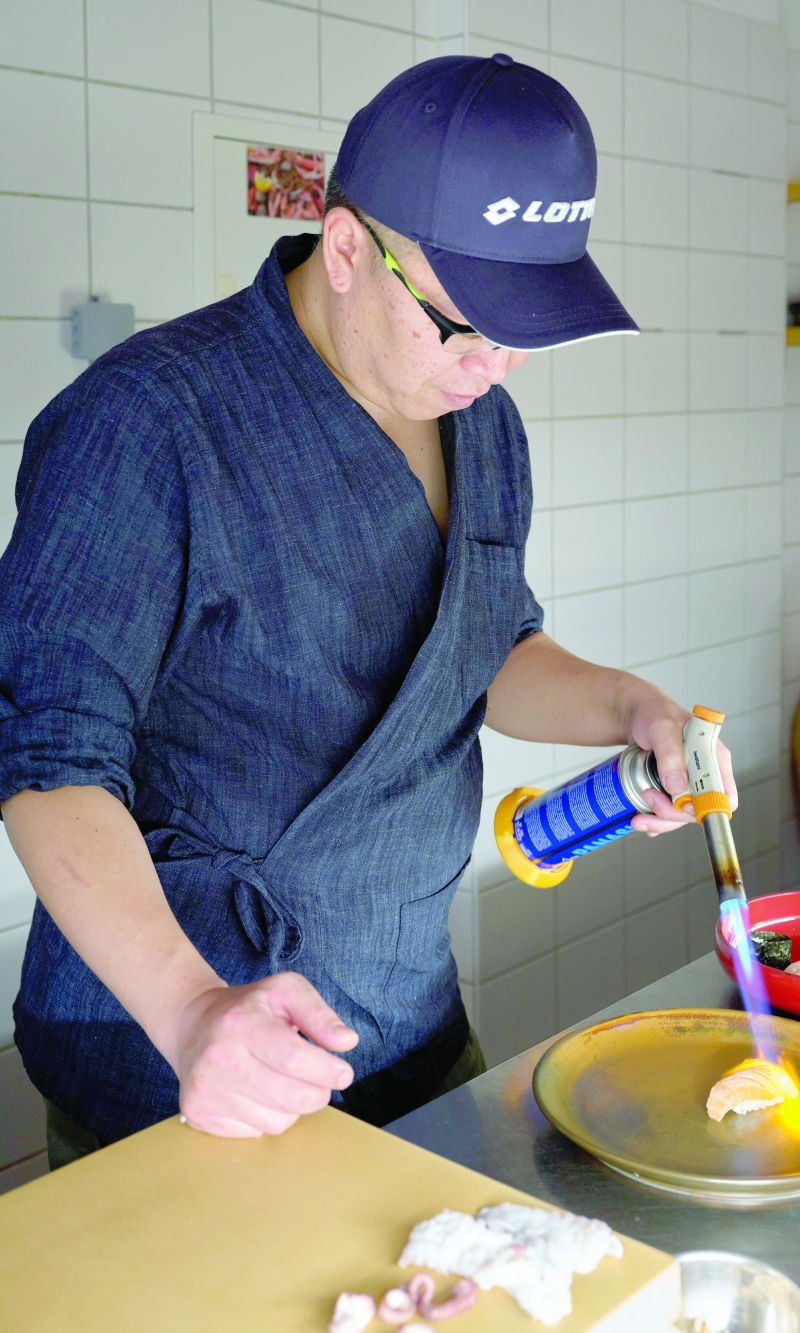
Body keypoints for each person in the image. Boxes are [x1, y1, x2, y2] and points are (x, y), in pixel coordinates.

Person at [0, 54, 736, 1165]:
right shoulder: (145, 422)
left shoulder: (478, 419)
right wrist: (193, 1010)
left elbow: (480, 646)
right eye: (463, 324)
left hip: (402, 1002)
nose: (493, 365)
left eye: (522, 332)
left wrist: (630, 707)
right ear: (347, 248)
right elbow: (49, 760)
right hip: (180, 1039)